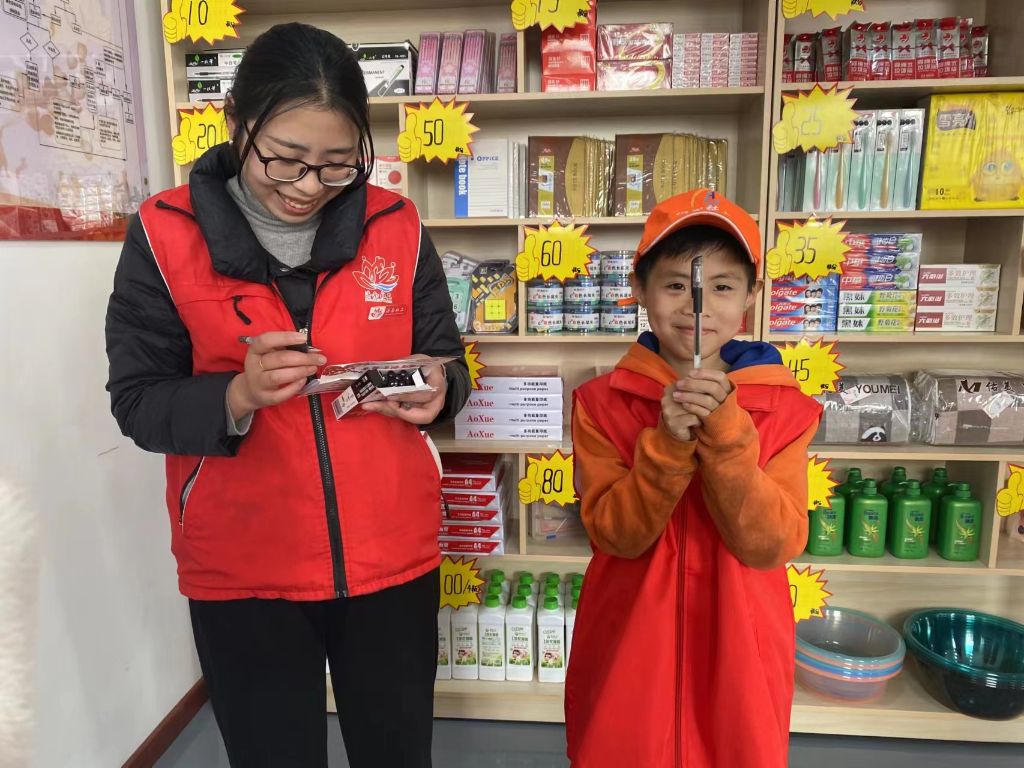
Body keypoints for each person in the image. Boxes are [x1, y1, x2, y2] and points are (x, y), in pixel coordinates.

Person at [105, 23, 469, 768]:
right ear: (236, 122)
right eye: (284, 159)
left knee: (398, 753)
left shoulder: (395, 225)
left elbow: (446, 357)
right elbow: (138, 401)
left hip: (391, 555)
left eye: (337, 164)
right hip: (244, 568)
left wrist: (441, 388)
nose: (307, 186)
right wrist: (237, 395)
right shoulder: (164, 235)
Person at [564, 189, 822, 767]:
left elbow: (772, 545)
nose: (697, 307)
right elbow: (615, 535)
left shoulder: (787, 410)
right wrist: (665, 447)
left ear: (752, 295)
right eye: (676, 285)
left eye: (721, 287)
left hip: (742, 648)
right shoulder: (600, 404)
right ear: (640, 288)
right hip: (630, 644)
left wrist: (728, 438)